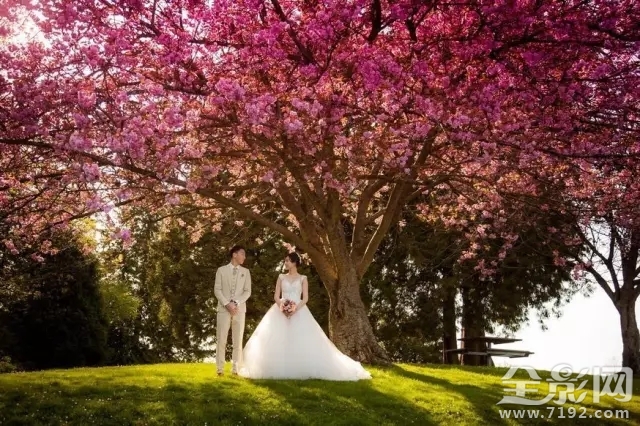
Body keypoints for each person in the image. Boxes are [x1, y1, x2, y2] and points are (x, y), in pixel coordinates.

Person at [239, 252, 371, 381]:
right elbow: (276, 296)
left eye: (287, 261)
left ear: (295, 263)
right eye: (285, 261)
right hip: (280, 310)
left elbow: (305, 298)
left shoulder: (303, 278)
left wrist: (295, 308)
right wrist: (282, 306)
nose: (285, 263)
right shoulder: (281, 277)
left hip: (299, 310)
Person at [214, 245, 251, 376]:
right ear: (234, 254)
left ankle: (235, 368)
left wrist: (235, 303)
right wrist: (226, 304)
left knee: (238, 340)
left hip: (240, 310)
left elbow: (247, 292)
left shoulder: (246, 272)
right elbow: (217, 290)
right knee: (221, 339)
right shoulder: (221, 270)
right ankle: (220, 369)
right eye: (242, 254)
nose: (244, 257)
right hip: (224, 310)